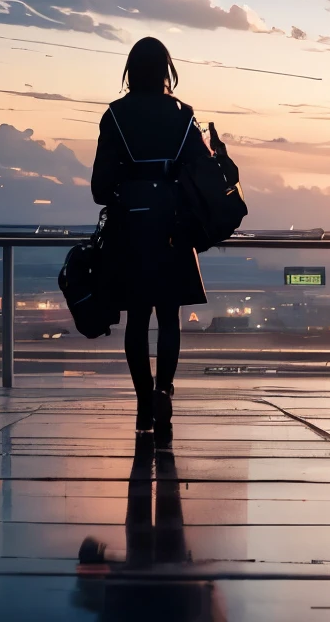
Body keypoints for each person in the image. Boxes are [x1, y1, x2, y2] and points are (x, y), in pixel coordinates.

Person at [91, 36, 215, 448]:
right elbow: (201, 173)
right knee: (169, 316)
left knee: (137, 319)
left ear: (131, 69)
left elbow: (99, 187)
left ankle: (144, 400)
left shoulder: (115, 116)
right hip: (174, 226)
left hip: (131, 226)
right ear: (166, 70)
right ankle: (165, 392)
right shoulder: (184, 117)